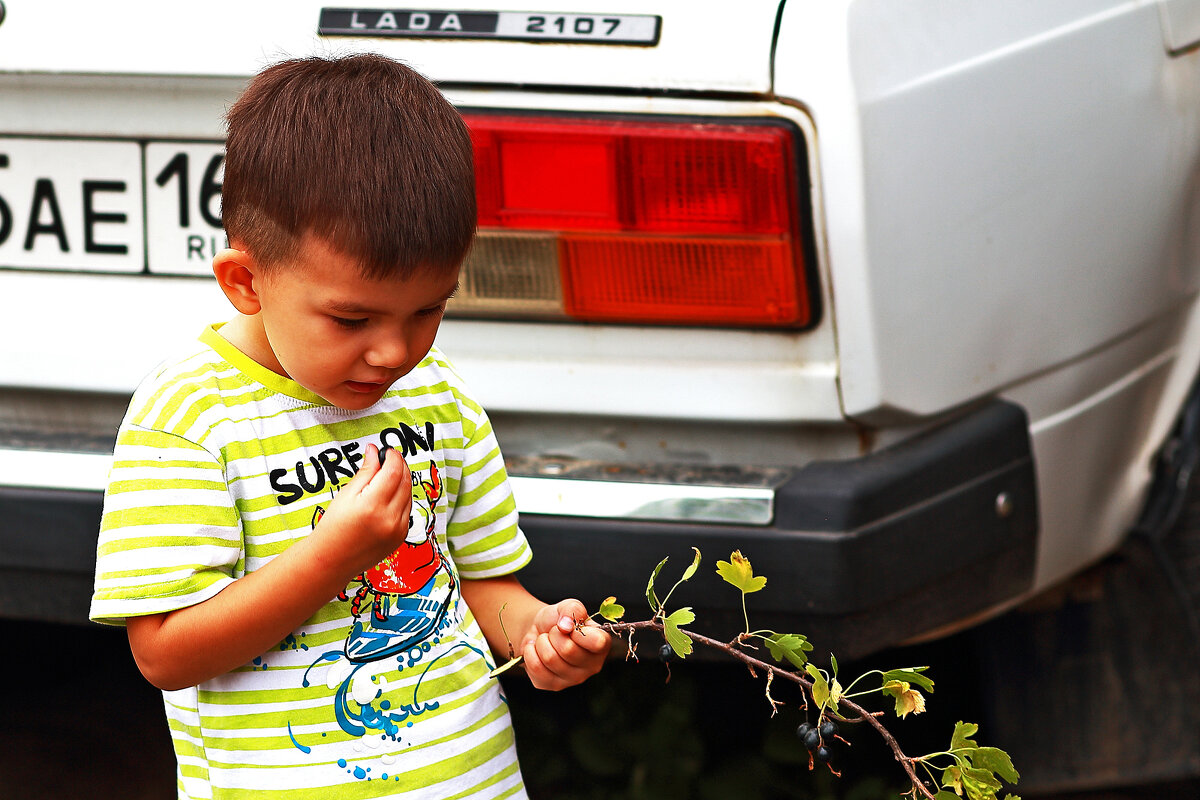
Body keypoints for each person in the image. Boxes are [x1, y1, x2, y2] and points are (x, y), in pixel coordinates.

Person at [90, 53, 610, 800]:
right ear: (247, 281)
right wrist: (334, 554)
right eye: (352, 318)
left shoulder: (438, 394)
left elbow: (485, 585)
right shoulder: (192, 419)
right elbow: (167, 655)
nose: (394, 352)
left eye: (429, 309)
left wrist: (536, 632)